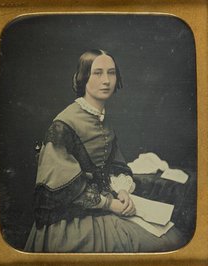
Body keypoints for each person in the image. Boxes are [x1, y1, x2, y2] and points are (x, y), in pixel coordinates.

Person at [24, 49, 185, 253]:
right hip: (69, 222)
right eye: (98, 73)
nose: (106, 80)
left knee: (172, 235)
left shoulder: (102, 120)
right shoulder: (64, 124)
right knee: (162, 244)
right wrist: (111, 204)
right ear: (83, 78)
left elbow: (115, 166)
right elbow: (62, 190)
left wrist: (124, 190)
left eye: (111, 72)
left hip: (104, 205)